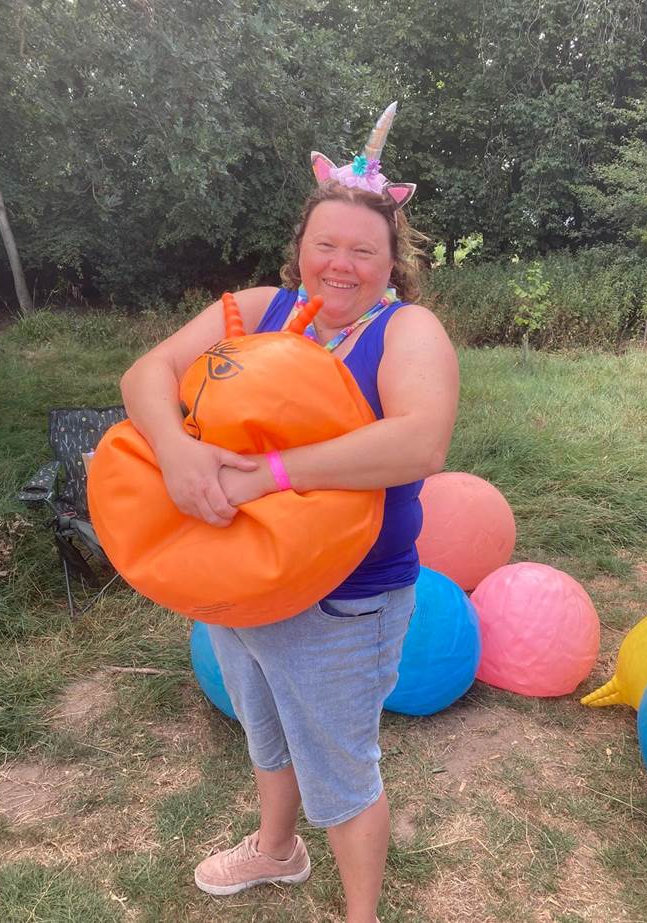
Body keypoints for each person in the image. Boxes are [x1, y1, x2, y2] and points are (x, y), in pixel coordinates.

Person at [120, 103, 459, 923]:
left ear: (392, 261)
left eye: (363, 251)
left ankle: (360, 915)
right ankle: (278, 848)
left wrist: (267, 474)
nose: (341, 265)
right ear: (302, 247)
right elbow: (147, 374)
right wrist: (176, 449)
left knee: (341, 770)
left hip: (346, 599)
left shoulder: (408, 332)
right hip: (237, 575)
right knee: (264, 729)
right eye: (326, 245)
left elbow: (417, 444)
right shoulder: (259, 309)